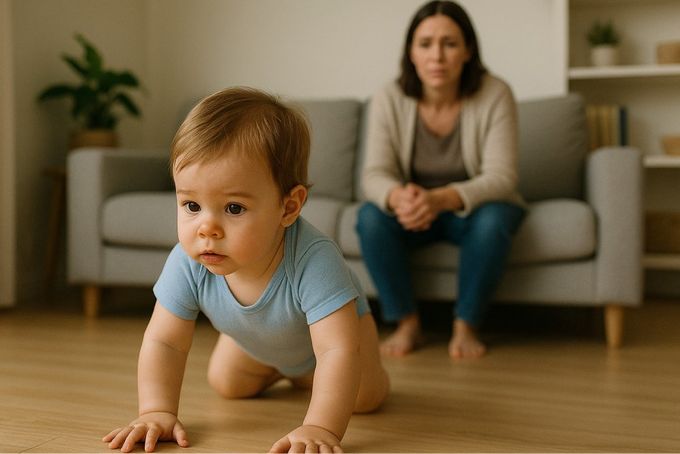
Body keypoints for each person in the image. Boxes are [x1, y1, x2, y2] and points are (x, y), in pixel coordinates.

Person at [103, 87, 389, 453]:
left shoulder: (315, 259)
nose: (207, 228)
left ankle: (308, 376)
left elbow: (337, 350)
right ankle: (294, 371)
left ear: (288, 207)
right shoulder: (187, 260)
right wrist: (156, 410)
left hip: (339, 341)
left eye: (233, 208)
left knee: (365, 397)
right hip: (260, 342)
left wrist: (320, 427)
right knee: (227, 383)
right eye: (191, 205)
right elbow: (164, 341)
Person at [357, 0, 526, 360]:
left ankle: (466, 326)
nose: (437, 56)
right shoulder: (389, 96)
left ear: (467, 51)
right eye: (425, 44)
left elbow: (502, 177)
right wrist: (399, 197)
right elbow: (373, 175)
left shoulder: (496, 93)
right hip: (416, 211)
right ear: (411, 53)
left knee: (494, 219)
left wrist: (441, 199)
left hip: (475, 210)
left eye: (449, 43)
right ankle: (407, 324)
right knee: (370, 217)